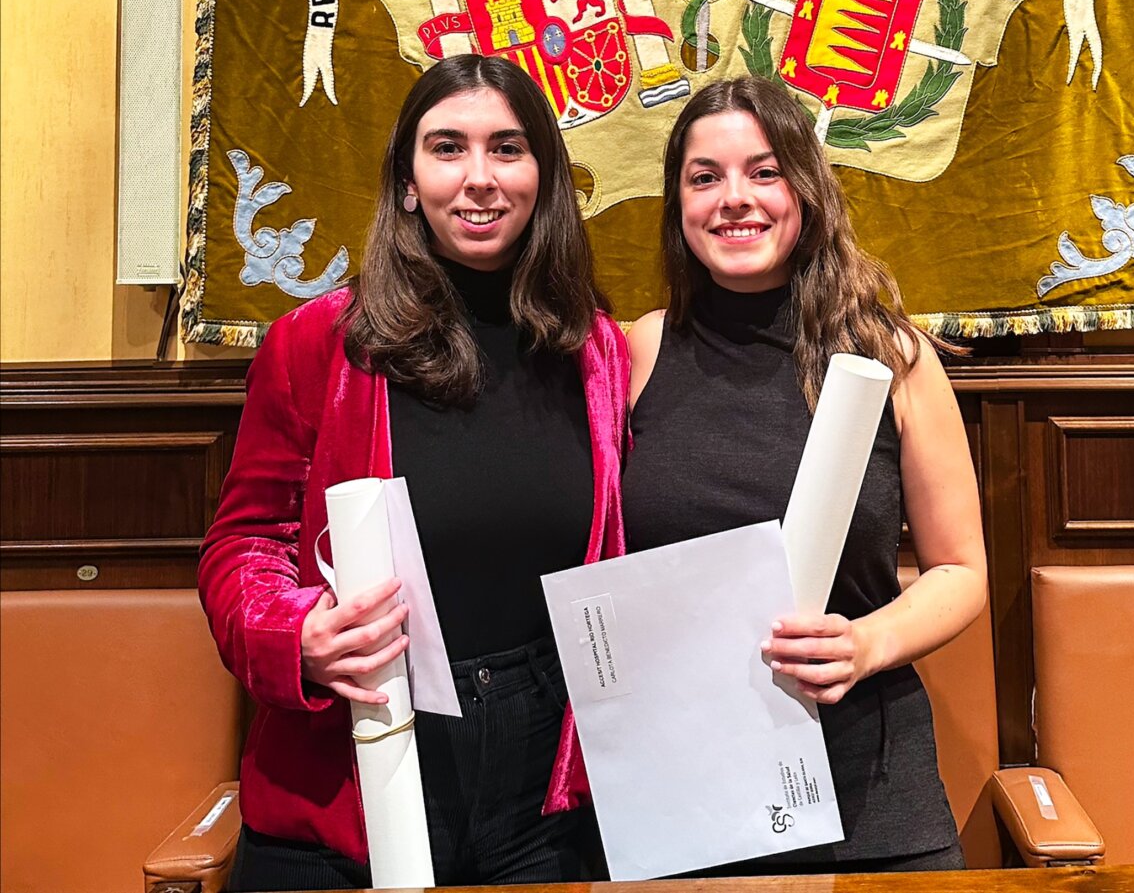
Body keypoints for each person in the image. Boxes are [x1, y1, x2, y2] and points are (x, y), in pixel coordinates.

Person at [198, 54, 629, 891]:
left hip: (542, 790)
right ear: (406, 181)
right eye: (447, 148)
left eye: (507, 148)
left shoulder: (594, 352)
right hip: (343, 776)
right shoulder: (317, 343)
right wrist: (297, 634)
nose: (479, 177)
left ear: (544, 176)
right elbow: (241, 544)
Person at [622, 77, 987, 874]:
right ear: (678, 204)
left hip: (870, 793)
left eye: (765, 171)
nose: (735, 198)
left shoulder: (892, 356)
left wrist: (866, 641)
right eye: (705, 176)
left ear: (807, 188)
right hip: (686, 794)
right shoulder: (639, 352)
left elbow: (961, 570)